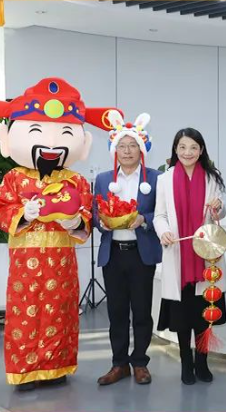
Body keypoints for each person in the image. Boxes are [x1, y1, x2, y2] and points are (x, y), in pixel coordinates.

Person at [0, 78, 115, 390]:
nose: (51, 144)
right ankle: (25, 370)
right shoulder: (14, 178)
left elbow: (87, 216)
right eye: (38, 131)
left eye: (64, 133)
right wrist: (23, 214)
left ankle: (56, 366)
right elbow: (2, 209)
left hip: (61, 260)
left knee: (60, 311)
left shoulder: (75, 181)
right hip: (25, 260)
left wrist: (75, 223)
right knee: (24, 312)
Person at [153, 128, 226, 385]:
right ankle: (186, 362)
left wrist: (218, 207)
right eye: (183, 147)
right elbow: (159, 215)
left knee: (203, 313)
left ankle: (202, 362)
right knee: (182, 316)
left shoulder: (211, 177)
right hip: (178, 254)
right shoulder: (165, 179)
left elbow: (220, 212)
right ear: (175, 149)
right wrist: (163, 232)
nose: (188, 152)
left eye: (194, 147)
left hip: (205, 255)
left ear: (201, 150)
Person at [93, 111, 162, 386]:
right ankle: (119, 364)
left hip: (141, 254)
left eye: (133, 145)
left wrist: (145, 220)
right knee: (117, 312)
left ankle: (140, 363)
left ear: (142, 149)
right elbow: (95, 213)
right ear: (115, 149)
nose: (127, 151)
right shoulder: (103, 179)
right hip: (113, 254)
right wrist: (101, 223)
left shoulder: (156, 179)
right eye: (122, 146)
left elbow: (163, 214)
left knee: (142, 312)